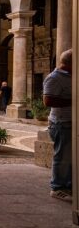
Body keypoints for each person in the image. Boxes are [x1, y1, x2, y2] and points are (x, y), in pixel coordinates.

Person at [43, 49, 72, 202]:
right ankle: (57, 188)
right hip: (61, 123)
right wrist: (74, 101)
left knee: (71, 157)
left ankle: (69, 186)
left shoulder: (71, 76)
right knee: (62, 157)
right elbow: (48, 101)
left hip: (70, 123)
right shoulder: (54, 78)